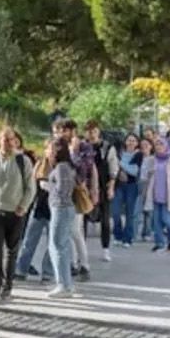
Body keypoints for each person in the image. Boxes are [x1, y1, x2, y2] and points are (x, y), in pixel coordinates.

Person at [0, 126, 34, 302]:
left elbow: (30, 187)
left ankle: (7, 286)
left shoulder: (23, 161)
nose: (9, 143)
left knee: (11, 251)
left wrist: (23, 206)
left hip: (15, 212)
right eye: (5, 139)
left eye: (12, 139)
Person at [60, 120, 96, 281]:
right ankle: (72, 263)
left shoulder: (84, 147)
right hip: (62, 192)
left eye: (65, 130)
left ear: (73, 131)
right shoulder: (60, 145)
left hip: (77, 192)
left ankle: (84, 265)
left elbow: (84, 168)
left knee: (75, 230)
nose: (63, 134)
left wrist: (73, 152)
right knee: (67, 231)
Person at [16, 141, 55, 283]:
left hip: (55, 210)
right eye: (49, 149)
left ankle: (48, 273)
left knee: (52, 244)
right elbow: (31, 186)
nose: (52, 152)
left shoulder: (62, 167)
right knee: (29, 241)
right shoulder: (40, 165)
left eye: (54, 150)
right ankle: (21, 269)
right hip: (39, 208)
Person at [46, 138, 79, 300]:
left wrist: (48, 187)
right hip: (62, 208)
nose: (47, 152)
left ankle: (64, 284)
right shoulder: (64, 166)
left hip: (61, 208)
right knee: (60, 245)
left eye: (49, 148)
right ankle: (66, 283)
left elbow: (63, 189)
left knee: (58, 246)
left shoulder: (62, 167)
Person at [141, 136, 170, 253]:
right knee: (157, 221)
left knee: (167, 219)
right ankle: (159, 243)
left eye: (161, 144)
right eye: (157, 145)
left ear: (166, 146)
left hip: (168, 194)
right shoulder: (151, 160)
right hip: (155, 193)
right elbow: (144, 176)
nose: (159, 147)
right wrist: (148, 172)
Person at [85, 121, 119, 263]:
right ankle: (82, 250)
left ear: (98, 132)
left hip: (103, 185)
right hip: (85, 187)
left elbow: (113, 167)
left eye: (94, 131)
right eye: (89, 131)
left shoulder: (107, 147)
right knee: (83, 219)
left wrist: (111, 185)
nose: (92, 134)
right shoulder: (83, 146)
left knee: (105, 219)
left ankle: (106, 249)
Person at [111, 134, 142, 248]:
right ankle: (117, 235)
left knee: (130, 213)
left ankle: (127, 238)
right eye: (129, 140)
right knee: (115, 211)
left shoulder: (138, 155)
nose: (131, 142)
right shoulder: (120, 153)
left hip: (131, 186)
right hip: (118, 185)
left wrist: (121, 164)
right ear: (125, 142)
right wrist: (121, 171)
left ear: (137, 143)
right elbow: (114, 168)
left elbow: (134, 171)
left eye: (133, 140)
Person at [135, 137, 155, 241]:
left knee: (149, 210)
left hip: (150, 184)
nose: (144, 147)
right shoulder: (137, 158)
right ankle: (135, 233)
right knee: (137, 210)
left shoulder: (154, 159)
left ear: (151, 146)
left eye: (146, 145)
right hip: (138, 183)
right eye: (142, 145)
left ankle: (147, 232)